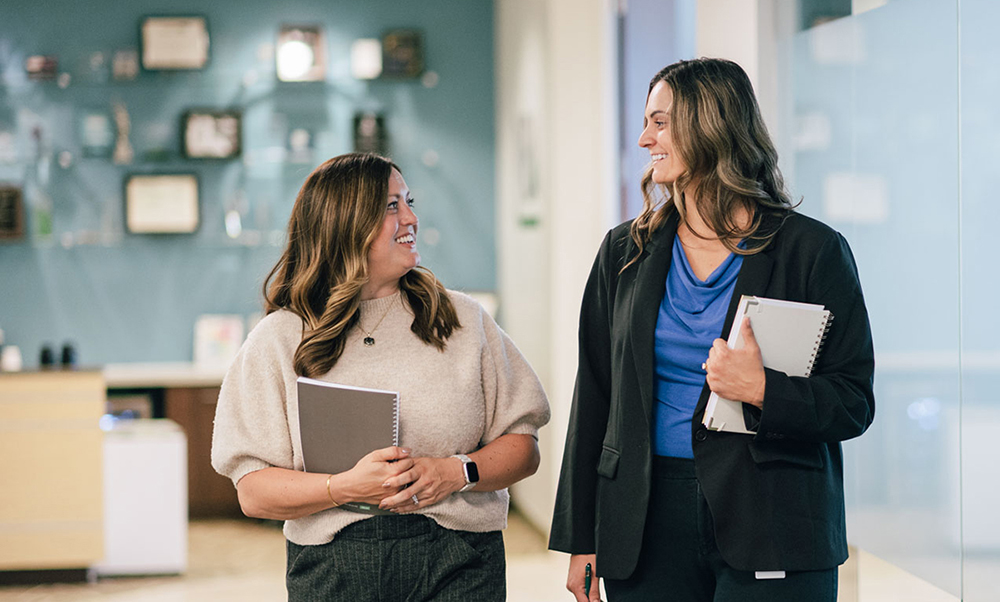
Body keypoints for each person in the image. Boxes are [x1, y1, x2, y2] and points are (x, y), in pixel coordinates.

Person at [549, 58, 875, 602]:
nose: (643, 137)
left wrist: (763, 390)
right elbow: (596, 398)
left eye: (660, 122)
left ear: (710, 124)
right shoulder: (624, 251)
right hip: (646, 517)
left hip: (773, 516)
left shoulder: (812, 251)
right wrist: (583, 538)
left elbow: (853, 401)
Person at [212, 152, 550, 602]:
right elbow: (253, 493)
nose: (411, 217)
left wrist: (457, 472)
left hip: (462, 560)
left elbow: (523, 449)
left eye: (408, 201)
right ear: (345, 223)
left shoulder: (464, 321)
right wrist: (342, 488)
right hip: (333, 567)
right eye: (391, 206)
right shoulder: (279, 339)